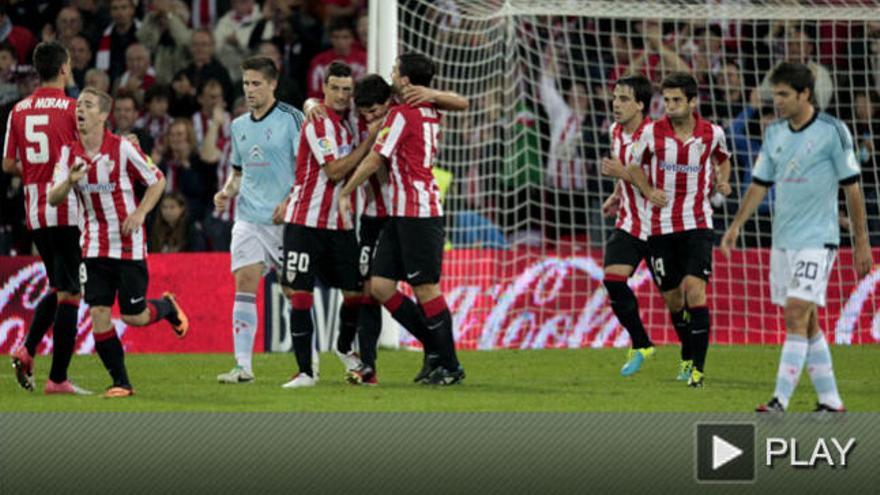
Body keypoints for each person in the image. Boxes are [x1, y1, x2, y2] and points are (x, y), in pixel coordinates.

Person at [721, 62, 873, 413]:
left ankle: (780, 400)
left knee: (795, 313)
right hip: (784, 239)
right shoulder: (774, 133)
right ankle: (830, 399)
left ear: (805, 94)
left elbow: (852, 189)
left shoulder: (833, 132)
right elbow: (760, 183)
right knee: (807, 320)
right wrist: (736, 225)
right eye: (775, 94)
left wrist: (861, 240)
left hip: (819, 239)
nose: (777, 101)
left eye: (784, 95)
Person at [48, 87, 189, 398]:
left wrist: (140, 212)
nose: (79, 110)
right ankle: (121, 382)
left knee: (132, 316)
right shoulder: (69, 154)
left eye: (87, 106)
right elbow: (52, 197)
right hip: (93, 247)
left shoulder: (123, 148)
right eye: (78, 106)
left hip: (128, 246)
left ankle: (167, 307)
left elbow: (158, 180)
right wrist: (69, 181)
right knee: (99, 312)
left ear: (102, 115)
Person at [339, 53, 465, 386]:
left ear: (406, 80)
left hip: (419, 213)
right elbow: (459, 102)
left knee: (426, 289)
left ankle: (449, 364)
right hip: (401, 214)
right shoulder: (429, 107)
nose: (392, 73)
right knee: (380, 286)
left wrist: (344, 192)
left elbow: (372, 160)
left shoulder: (402, 114)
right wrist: (435, 94)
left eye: (396, 70)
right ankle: (436, 348)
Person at [617, 72, 732, 387]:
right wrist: (647, 190)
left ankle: (697, 368)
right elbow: (634, 167)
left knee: (695, 290)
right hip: (660, 227)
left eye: (676, 100)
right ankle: (686, 353)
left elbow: (723, 159)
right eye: (666, 100)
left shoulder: (712, 134)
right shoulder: (652, 133)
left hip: (697, 223)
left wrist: (724, 180)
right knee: (674, 300)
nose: (669, 106)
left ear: (693, 102)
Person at [277, 61, 376, 389]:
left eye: (347, 90)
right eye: (334, 88)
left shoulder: (347, 122)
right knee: (300, 294)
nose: (340, 95)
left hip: (342, 225)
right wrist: (367, 146)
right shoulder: (319, 123)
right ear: (324, 88)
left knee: (355, 293)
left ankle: (344, 346)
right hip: (305, 222)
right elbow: (333, 172)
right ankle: (306, 371)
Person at [214, 56, 304, 384]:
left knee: (294, 293)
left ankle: (309, 364)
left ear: (272, 84)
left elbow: (307, 170)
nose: (250, 90)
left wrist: (289, 201)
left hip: (284, 220)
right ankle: (243, 366)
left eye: (256, 84)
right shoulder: (238, 126)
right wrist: (226, 192)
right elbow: (239, 173)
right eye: (246, 84)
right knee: (246, 284)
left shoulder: (292, 119)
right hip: (249, 217)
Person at [3, 41, 84, 394]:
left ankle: (28, 347)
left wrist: (35, 170)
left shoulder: (18, 110)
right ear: (64, 68)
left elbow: (7, 164)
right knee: (71, 293)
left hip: (34, 213)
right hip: (66, 209)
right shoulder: (72, 109)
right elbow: (85, 159)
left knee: (59, 284)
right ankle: (59, 379)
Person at [598, 74, 659, 376]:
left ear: (640, 105)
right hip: (630, 223)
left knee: (679, 299)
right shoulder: (615, 131)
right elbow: (627, 176)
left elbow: (659, 184)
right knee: (613, 280)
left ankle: (692, 359)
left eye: (623, 99)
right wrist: (615, 195)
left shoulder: (656, 136)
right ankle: (641, 343)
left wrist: (622, 174)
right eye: (615, 97)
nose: (616, 104)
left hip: (662, 226)